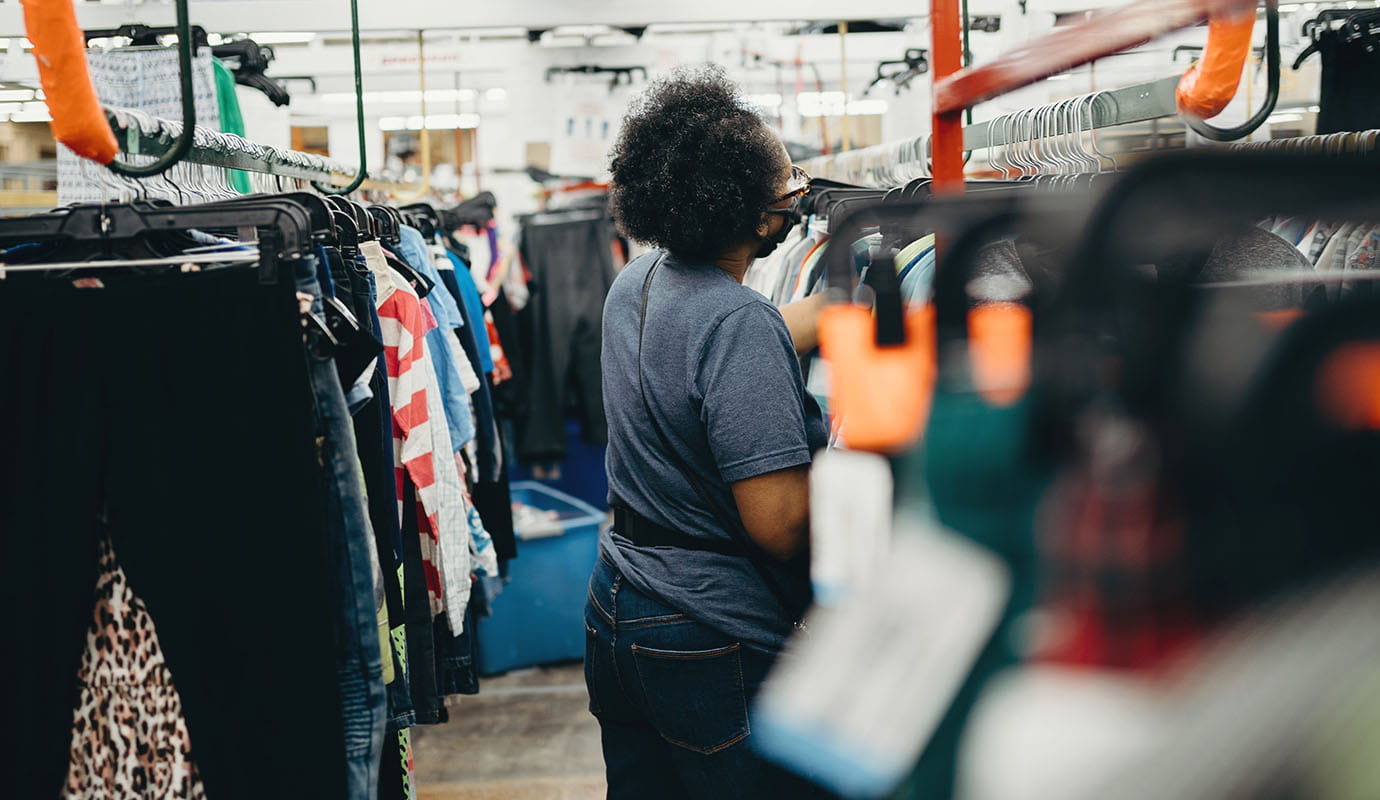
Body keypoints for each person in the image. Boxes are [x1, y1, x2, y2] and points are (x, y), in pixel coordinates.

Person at [584, 65, 830, 798]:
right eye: (788, 178)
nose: (798, 188)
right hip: (707, 633)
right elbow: (778, 525)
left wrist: (846, 311)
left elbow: (703, 353)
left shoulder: (641, 278)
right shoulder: (737, 322)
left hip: (619, 605)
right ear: (759, 217)